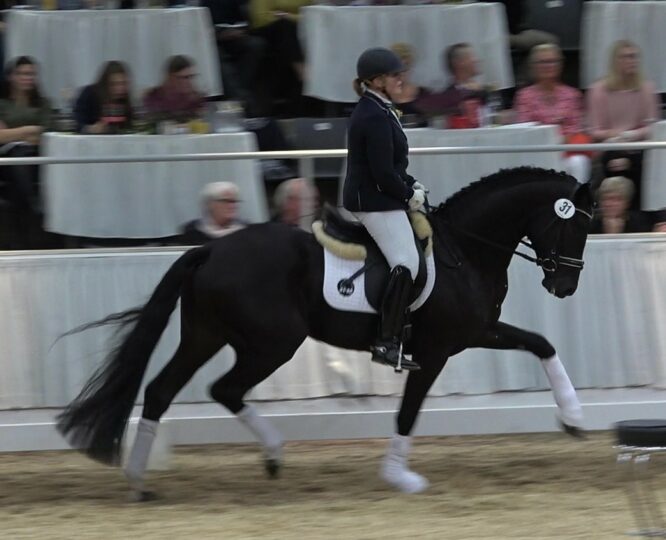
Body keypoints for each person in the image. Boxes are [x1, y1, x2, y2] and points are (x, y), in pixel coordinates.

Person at [342, 47, 426, 371]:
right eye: (395, 75)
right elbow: (382, 173)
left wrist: (413, 183)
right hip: (372, 200)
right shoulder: (373, 115)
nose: (401, 79)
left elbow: (394, 164)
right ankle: (386, 341)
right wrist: (407, 195)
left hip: (382, 193)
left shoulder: (380, 108)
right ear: (376, 81)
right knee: (406, 262)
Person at [586, 40, 659, 209]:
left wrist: (630, 135)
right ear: (615, 61)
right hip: (610, 146)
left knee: (639, 163)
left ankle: (642, 216)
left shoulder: (646, 88)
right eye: (626, 57)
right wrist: (618, 136)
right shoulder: (599, 90)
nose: (631, 61)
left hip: (639, 146)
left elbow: (652, 126)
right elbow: (595, 131)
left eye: (634, 57)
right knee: (617, 162)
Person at [513, 44, 591, 183]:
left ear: (560, 65)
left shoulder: (572, 94)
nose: (548, 65)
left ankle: (576, 203)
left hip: (565, 152)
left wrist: (555, 138)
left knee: (579, 161)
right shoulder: (524, 96)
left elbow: (576, 129)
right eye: (543, 62)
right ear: (534, 66)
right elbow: (524, 128)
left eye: (553, 61)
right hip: (537, 152)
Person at [0, 56, 53, 249]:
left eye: (31, 73)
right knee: (19, 156)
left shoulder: (43, 103)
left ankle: (29, 208)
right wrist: (29, 129)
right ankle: (33, 204)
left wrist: (12, 133)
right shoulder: (3, 103)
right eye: (22, 73)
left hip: (39, 155)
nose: (27, 77)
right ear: (11, 77)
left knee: (25, 157)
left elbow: (46, 132)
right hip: (7, 157)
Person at [414, 43, 491, 128]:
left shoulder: (484, 91)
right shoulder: (449, 96)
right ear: (460, 63)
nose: (476, 60)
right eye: (471, 57)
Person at [73, 61, 133, 134]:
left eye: (123, 83)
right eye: (114, 84)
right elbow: (77, 124)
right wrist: (90, 129)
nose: (120, 88)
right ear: (105, 84)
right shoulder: (90, 94)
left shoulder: (125, 99)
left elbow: (129, 126)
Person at [143, 55, 205, 122]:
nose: (189, 82)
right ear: (171, 77)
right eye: (185, 78)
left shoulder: (195, 99)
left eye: (191, 76)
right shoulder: (154, 97)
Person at [180, 181, 245, 244]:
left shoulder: (246, 230)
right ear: (210, 204)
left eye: (234, 201)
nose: (232, 206)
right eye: (226, 201)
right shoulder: (192, 231)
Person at [389, 42, 430, 127]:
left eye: (406, 65)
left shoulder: (425, 94)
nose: (402, 71)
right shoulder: (380, 98)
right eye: (397, 67)